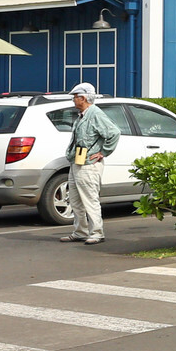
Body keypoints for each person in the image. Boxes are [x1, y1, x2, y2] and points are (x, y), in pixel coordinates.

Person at [61, 82, 118, 245]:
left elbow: (114, 133)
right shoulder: (83, 115)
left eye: (75, 97)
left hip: (88, 164)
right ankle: (80, 231)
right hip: (77, 161)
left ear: (83, 98)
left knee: (89, 199)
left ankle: (97, 232)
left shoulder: (95, 114)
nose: (73, 100)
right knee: (75, 199)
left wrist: (103, 152)